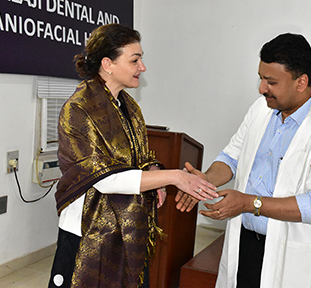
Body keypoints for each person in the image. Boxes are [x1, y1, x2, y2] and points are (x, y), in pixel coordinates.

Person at [175, 33, 311, 287]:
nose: (262, 89)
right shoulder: (261, 109)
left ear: (301, 82)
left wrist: (249, 203)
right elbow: (231, 157)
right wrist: (206, 180)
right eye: (261, 78)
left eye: (271, 82)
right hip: (244, 242)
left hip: (290, 255)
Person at [48, 24, 218, 288]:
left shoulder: (128, 105)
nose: (143, 67)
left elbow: (137, 156)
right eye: (135, 60)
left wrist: (153, 173)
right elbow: (103, 177)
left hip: (126, 230)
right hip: (88, 232)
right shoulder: (78, 108)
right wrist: (175, 178)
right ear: (108, 64)